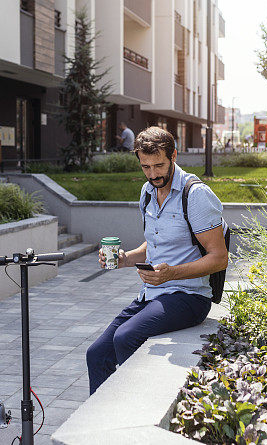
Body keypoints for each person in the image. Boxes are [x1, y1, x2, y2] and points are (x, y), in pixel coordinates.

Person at [86, 126, 228, 394]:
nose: (153, 174)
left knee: (126, 337)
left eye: (159, 165)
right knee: (96, 354)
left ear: (174, 155)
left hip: (189, 296)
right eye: (146, 167)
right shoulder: (148, 192)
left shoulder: (195, 195)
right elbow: (154, 245)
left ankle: (134, 407)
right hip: (152, 294)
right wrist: (125, 258)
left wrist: (171, 274)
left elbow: (219, 258)